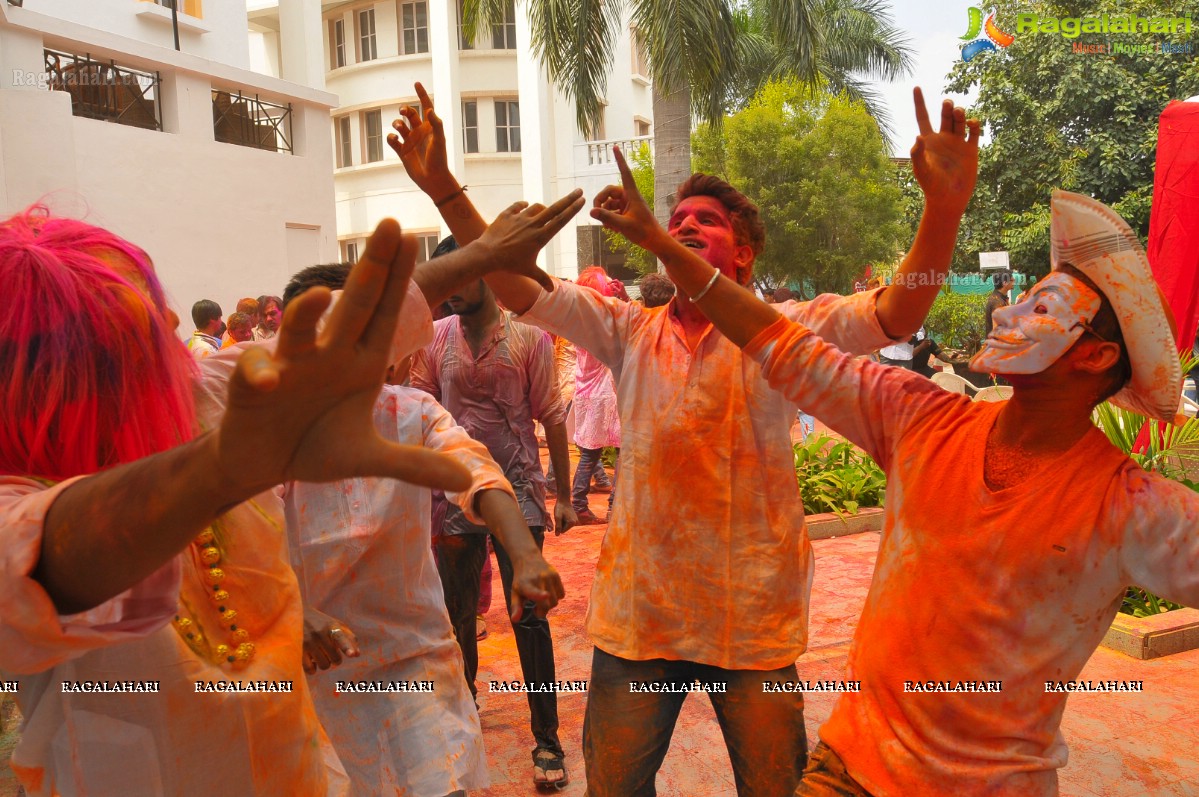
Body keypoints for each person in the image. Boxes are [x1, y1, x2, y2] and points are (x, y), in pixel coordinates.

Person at [391, 82, 978, 795]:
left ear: (745, 252)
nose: (683, 225)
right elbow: (516, 284)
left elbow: (897, 309)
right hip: (642, 619)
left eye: (704, 220)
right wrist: (446, 187)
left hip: (753, 620)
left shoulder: (784, 330)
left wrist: (942, 209)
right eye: (675, 219)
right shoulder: (626, 329)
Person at [620, 177, 1199, 795]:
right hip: (846, 768)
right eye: (1019, 300)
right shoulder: (920, 416)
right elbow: (779, 344)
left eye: (1040, 309)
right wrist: (664, 244)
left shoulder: (1135, 509)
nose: (1005, 311)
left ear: (1095, 357)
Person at [0, 193, 580, 796]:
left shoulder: (214, 393)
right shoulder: (31, 495)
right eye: (139, 320)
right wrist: (224, 470)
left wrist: (479, 254)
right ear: (52, 374)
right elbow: (41, 565)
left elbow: (342, 343)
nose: (170, 321)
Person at [281, 263, 565, 797]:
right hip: (314, 662)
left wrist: (526, 555)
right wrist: (295, 611)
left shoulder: (412, 412)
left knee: (440, 781)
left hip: (413, 652)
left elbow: (475, 470)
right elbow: (245, 534)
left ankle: (545, 737)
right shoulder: (273, 427)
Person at [410, 235, 578, 789]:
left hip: (520, 495)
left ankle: (546, 739)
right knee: (456, 620)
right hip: (453, 497)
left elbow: (552, 414)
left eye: (461, 278)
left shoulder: (529, 339)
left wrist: (564, 494)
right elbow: (422, 408)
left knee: (529, 618)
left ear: (487, 275)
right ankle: (465, 715)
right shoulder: (435, 339)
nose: (451, 292)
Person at [570, 266, 625, 524]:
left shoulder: (577, 321)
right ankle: (610, 505)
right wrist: (620, 299)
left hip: (584, 392)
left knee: (589, 451)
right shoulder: (600, 324)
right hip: (603, 394)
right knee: (619, 449)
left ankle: (580, 504)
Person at [984, 269, 1013, 336]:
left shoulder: (1000, 299)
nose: (1014, 282)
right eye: (1012, 280)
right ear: (1005, 283)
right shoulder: (997, 302)